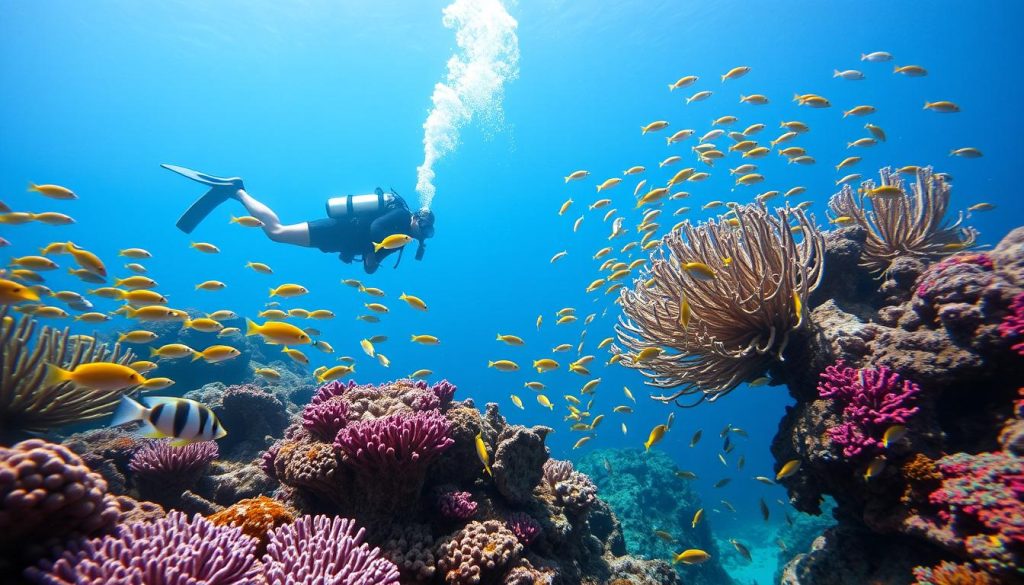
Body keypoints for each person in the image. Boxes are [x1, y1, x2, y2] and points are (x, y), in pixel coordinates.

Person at [162, 164, 435, 273]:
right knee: (276, 232)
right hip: (334, 231)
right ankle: (237, 191)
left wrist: (377, 254)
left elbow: (369, 266)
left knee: (276, 234)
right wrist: (382, 246)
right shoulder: (399, 215)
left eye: (426, 234)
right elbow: (375, 228)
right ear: (418, 218)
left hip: (334, 241)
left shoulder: (399, 238)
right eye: (424, 227)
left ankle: (236, 193)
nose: (421, 234)